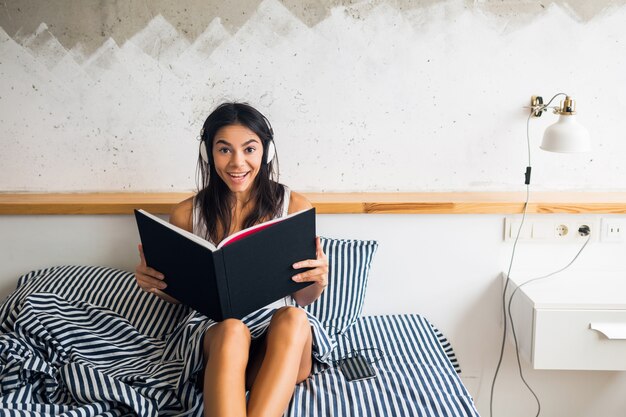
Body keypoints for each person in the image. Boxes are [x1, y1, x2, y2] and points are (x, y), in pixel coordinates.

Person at [134, 102, 331, 417]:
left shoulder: (294, 206)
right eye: (224, 150)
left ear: (264, 151)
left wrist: (319, 278)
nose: (238, 163)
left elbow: (303, 298)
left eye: (249, 149)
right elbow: (180, 294)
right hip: (218, 345)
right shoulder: (187, 213)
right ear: (210, 153)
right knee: (231, 330)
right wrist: (156, 284)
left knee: (294, 318)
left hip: (281, 345)